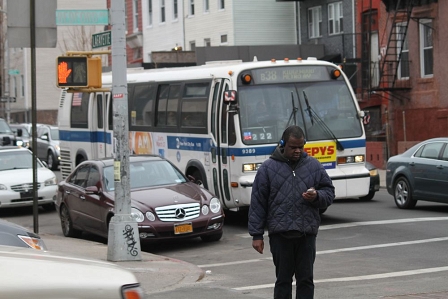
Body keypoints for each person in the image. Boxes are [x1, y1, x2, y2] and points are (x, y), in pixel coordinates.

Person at [248, 125, 335, 299]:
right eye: (293, 147)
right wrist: (256, 235)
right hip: (281, 236)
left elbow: (329, 193)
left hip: (306, 235)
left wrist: (316, 196)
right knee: (283, 281)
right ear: (283, 144)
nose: (297, 151)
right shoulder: (267, 168)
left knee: (306, 281)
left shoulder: (314, 166)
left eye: (301, 147)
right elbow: (258, 202)